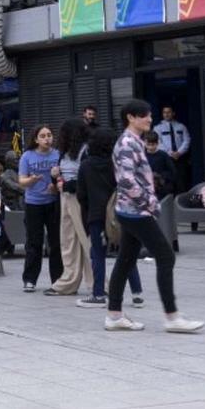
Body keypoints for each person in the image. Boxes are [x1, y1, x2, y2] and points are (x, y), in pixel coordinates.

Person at [106, 99, 204, 333]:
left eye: (150, 115)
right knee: (165, 256)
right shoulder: (128, 143)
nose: (150, 119)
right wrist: (149, 202)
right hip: (136, 212)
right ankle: (172, 317)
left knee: (126, 260)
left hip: (131, 210)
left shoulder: (134, 141)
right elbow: (126, 180)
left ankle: (114, 315)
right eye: (145, 115)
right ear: (131, 117)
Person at [75, 126, 144, 309]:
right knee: (125, 252)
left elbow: (81, 196)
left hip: (96, 216)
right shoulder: (118, 164)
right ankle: (137, 293)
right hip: (120, 213)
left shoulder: (86, 166)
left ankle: (98, 294)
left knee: (97, 254)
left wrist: (86, 220)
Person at [47, 118, 93, 297]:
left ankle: (97, 283)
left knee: (86, 241)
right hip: (65, 198)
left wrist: (67, 185)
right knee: (68, 241)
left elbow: (88, 178)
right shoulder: (64, 152)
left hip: (79, 200)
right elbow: (62, 174)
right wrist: (55, 176)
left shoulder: (86, 151)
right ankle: (68, 282)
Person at [19, 124, 62, 292]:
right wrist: (32, 180)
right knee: (34, 243)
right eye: (43, 136)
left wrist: (56, 184)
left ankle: (57, 279)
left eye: (49, 135)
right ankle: (29, 279)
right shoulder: (27, 156)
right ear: (36, 139)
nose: (47, 138)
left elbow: (64, 176)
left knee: (56, 242)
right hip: (33, 203)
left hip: (53, 203)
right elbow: (21, 181)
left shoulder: (58, 155)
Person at [152, 106, 190, 185]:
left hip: (180, 157)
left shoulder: (181, 126)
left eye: (168, 112)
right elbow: (158, 142)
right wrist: (170, 153)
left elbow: (187, 140)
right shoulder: (158, 127)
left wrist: (179, 152)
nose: (166, 114)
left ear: (173, 113)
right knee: (168, 180)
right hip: (166, 157)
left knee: (181, 179)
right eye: (164, 112)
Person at [144, 131, 176, 196]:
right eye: (148, 144)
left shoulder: (163, 155)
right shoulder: (142, 156)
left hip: (162, 189)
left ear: (157, 143)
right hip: (146, 189)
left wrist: (160, 176)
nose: (150, 147)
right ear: (144, 143)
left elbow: (173, 172)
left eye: (153, 145)